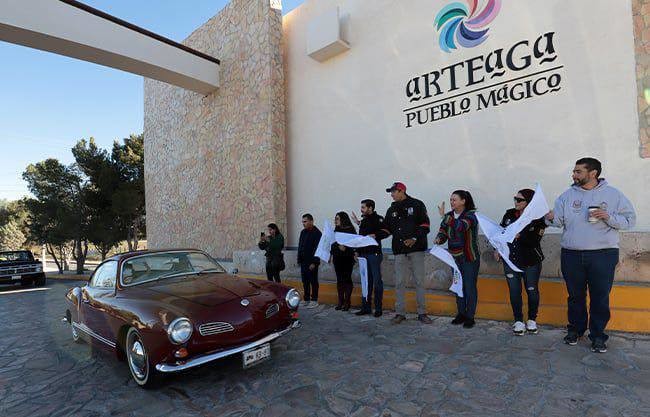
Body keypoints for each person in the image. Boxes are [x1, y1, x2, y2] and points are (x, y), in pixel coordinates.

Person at [546, 157, 636, 353]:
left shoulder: (613, 195)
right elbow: (558, 222)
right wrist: (549, 218)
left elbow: (630, 220)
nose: (574, 174)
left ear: (593, 173)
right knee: (575, 296)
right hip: (572, 254)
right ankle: (576, 330)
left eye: (578, 171)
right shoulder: (566, 196)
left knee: (600, 297)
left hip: (603, 254)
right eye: (574, 171)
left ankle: (598, 336)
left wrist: (608, 217)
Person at [376, 182, 432, 324]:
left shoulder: (417, 204)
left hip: (416, 249)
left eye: (394, 192)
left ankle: (422, 313)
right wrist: (374, 235)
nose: (392, 195)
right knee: (399, 282)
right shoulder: (392, 209)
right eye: (391, 192)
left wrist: (414, 238)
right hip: (399, 250)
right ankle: (400, 313)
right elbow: (387, 229)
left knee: (419, 281)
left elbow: (425, 225)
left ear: (401, 191)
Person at [496, 189, 546, 335]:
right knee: (514, 291)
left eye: (520, 200)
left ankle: (532, 319)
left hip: (531, 262)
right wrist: (497, 249)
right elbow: (500, 233)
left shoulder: (537, 219)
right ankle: (518, 320)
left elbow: (534, 240)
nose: (516, 202)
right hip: (511, 260)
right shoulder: (509, 214)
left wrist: (519, 236)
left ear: (529, 202)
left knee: (532, 290)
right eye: (515, 199)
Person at [435, 190, 480, 329]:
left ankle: (470, 317)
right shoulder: (449, 216)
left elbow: (461, 226)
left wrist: (444, 217)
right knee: (458, 285)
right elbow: (443, 231)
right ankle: (461, 313)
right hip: (454, 258)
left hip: (469, 257)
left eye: (454, 199)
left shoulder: (471, 216)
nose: (451, 202)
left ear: (463, 201)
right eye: (451, 199)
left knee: (469, 287)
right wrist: (439, 239)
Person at [352, 199, 385, 317]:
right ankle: (365, 307)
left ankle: (378, 309)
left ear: (370, 208)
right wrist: (356, 251)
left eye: (363, 207)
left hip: (374, 254)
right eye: (361, 207)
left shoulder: (379, 219)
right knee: (366, 282)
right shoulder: (364, 221)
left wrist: (376, 235)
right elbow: (361, 237)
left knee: (377, 282)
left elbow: (386, 232)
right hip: (363, 255)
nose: (361, 209)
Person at [331, 212, 356, 311]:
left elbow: (354, 244)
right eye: (335, 218)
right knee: (339, 280)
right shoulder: (336, 230)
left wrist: (345, 248)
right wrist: (337, 248)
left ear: (343, 219)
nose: (335, 221)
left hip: (347, 259)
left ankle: (347, 302)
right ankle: (340, 301)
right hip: (337, 259)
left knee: (347, 279)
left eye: (337, 218)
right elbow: (332, 244)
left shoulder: (350, 230)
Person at [297, 213, 322, 308]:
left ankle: (314, 300)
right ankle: (306, 298)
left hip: (312, 262)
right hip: (303, 261)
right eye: (302, 222)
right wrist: (299, 259)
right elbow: (300, 246)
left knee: (313, 281)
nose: (303, 224)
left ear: (311, 221)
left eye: (305, 221)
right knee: (305, 281)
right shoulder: (303, 232)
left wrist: (314, 262)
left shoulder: (317, 233)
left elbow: (318, 249)